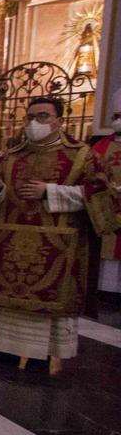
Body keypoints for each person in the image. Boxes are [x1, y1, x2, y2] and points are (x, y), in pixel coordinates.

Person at [0, 95, 116, 373]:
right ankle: (2, 348)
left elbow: (102, 197)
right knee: (6, 307)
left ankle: (41, 355)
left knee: (45, 310)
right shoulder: (10, 155)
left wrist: (49, 191)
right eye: (30, 117)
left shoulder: (83, 156)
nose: (35, 122)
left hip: (57, 247)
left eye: (43, 116)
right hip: (8, 247)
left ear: (59, 121)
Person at [93, 88, 121, 296]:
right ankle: (103, 289)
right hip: (106, 204)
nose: (118, 121)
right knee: (105, 247)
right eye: (116, 117)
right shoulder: (100, 146)